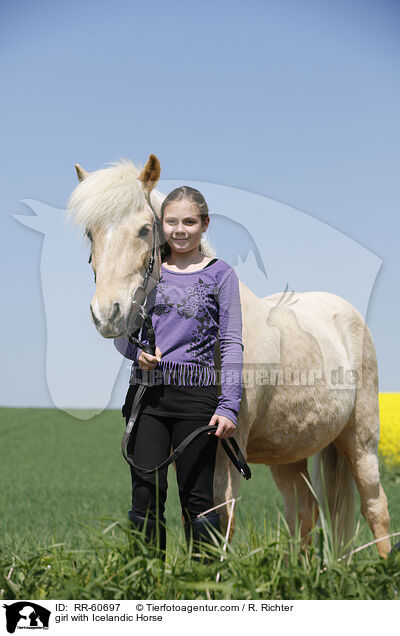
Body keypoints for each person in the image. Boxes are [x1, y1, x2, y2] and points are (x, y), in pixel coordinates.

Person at [114, 186, 244, 560]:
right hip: (148, 397)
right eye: (172, 221)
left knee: (198, 498)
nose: (180, 229)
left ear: (205, 225)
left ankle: (204, 589)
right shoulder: (146, 270)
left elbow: (232, 343)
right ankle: (143, 586)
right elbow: (122, 334)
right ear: (161, 225)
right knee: (145, 496)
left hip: (197, 399)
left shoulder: (222, 275)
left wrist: (229, 405)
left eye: (189, 221)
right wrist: (136, 354)